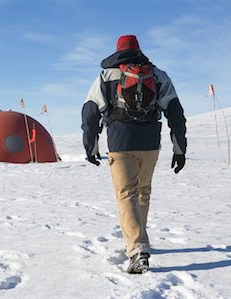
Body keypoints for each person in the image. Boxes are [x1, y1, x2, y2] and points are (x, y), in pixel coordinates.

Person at [81, 35, 187, 274]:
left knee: (126, 194)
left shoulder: (106, 76)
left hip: (121, 143)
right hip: (150, 144)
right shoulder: (158, 75)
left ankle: (138, 249)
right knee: (143, 191)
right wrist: (179, 149)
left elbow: (89, 114)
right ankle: (139, 240)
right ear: (139, 50)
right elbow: (176, 113)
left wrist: (91, 146)